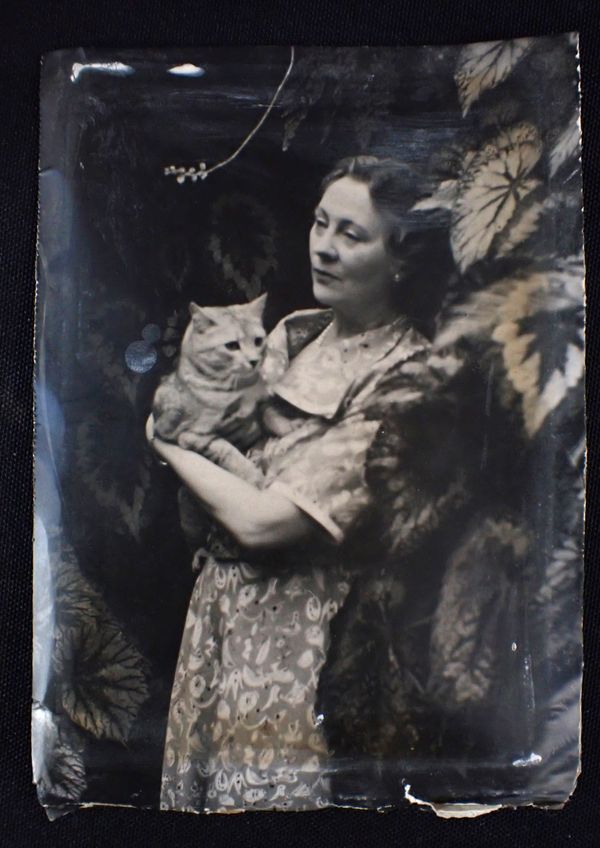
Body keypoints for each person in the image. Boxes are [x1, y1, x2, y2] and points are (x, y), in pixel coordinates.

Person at [148, 156, 454, 813]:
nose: (325, 246)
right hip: (220, 621)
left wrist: (165, 441)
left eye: (352, 234)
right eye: (320, 224)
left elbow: (264, 523)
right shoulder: (290, 334)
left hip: (304, 640)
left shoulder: (407, 373)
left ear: (400, 259)